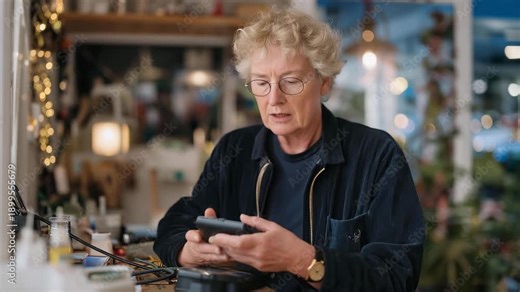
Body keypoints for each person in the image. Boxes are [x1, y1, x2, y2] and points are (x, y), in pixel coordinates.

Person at [154, 7, 424, 291]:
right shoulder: (234, 150)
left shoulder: (376, 155)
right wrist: (189, 251)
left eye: (291, 81)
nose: (274, 99)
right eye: (261, 83)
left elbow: (397, 276)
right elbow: (174, 224)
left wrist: (303, 261)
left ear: (324, 82)